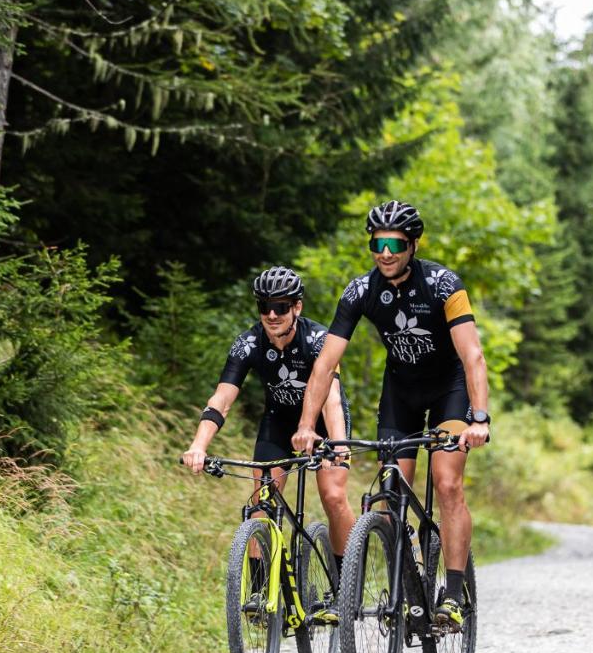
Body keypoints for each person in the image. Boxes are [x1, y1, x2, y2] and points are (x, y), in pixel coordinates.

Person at [291, 200, 490, 630]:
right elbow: (324, 365)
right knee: (388, 498)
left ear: (412, 245)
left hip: (449, 391)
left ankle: (452, 596)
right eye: (376, 243)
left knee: (448, 481)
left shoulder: (443, 284)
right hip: (400, 392)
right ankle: (409, 572)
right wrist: (307, 425)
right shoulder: (360, 291)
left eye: (394, 244)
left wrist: (479, 418)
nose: (385, 252)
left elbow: (472, 356)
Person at [184, 267, 355, 617]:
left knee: (334, 495)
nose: (272, 315)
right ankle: (262, 594)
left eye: (280, 305)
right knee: (261, 501)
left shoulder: (319, 340)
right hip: (277, 425)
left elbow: (333, 398)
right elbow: (221, 400)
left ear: (297, 307)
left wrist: (337, 444)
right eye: (265, 307)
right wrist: (198, 446)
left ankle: (345, 584)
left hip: (323, 421)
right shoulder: (248, 344)